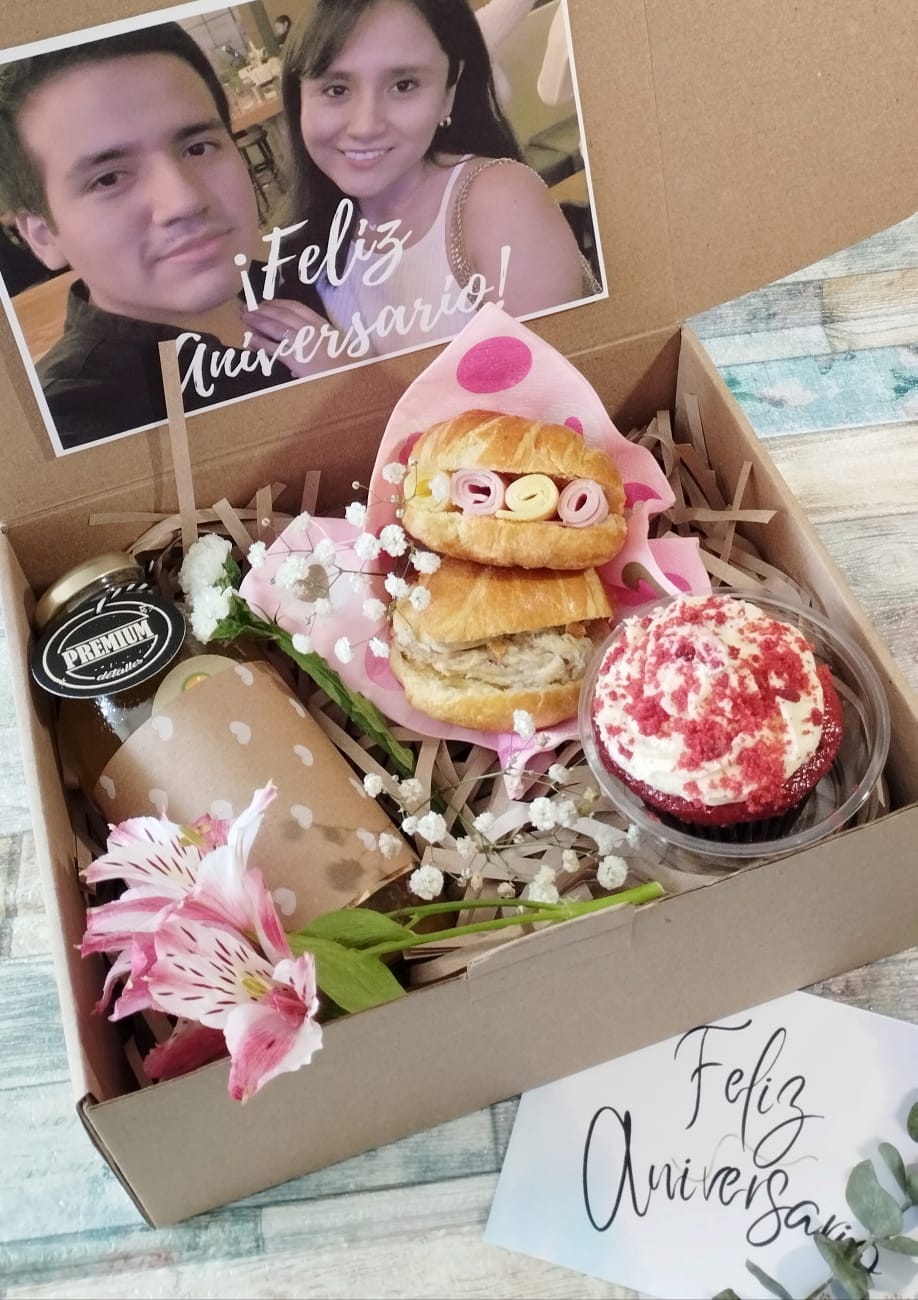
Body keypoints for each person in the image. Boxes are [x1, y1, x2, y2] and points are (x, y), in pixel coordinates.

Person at [0, 23, 326, 451]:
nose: (184, 201)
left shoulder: (310, 280)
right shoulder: (69, 430)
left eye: (198, 147)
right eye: (108, 178)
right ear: (42, 235)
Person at [242, 0, 595, 370]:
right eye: (336, 90)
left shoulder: (499, 204)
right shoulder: (301, 246)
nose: (365, 126)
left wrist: (349, 380)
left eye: (403, 85)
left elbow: (553, 394)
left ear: (448, 93)